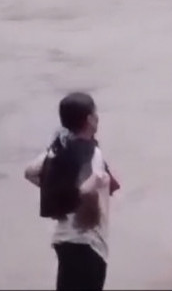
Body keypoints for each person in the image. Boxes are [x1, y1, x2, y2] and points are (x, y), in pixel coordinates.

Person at [24, 93, 119, 291]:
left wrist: (57, 190)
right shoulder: (92, 152)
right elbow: (84, 188)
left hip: (64, 240)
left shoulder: (57, 149)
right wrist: (95, 182)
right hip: (89, 243)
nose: (97, 118)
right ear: (89, 119)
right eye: (95, 113)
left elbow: (30, 172)